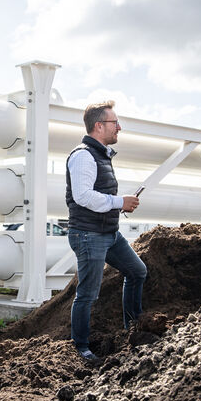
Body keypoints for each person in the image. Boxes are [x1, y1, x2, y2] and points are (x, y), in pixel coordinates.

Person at [66, 101, 148, 362]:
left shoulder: (100, 155)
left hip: (108, 232)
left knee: (137, 271)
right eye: (115, 123)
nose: (119, 128)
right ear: (99, 126)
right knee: (88, 293)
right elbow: (83, 196)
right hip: (89, 235)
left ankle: (131, 329)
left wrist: (120, 205)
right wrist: (118, 202)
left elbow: (98, 195)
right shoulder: (83, 156)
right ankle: (81, 347)